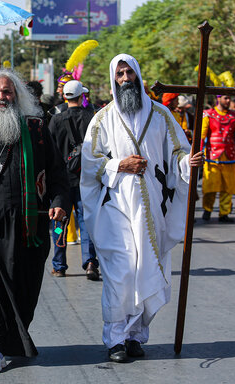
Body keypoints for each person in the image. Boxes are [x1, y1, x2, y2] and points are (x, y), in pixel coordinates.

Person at [80, 54, 204, 363]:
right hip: (115, 207)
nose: (125, 78)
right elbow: (89, 161)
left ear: (138, 75)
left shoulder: (161, 115)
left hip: (151, 209)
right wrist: (119, 164)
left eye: (129, 72)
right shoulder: (102, 119)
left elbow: (177, 151)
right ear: (114, 79)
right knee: (121, 273)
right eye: (119, 73)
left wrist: (185, 163)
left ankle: (135, 336)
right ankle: (115, 339)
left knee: (145, 268)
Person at [0, 69, 69, 373]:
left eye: (7, 92)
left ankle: (10, 341)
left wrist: (58, 203)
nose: (2, 98)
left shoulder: (35, 129)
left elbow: (58, 174)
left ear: (17, 96)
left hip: (27, 227)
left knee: (24, 288)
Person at [48, 80, 100, 280]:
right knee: (86, 222)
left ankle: (59, 265)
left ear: (65, 97)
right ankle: (90, 263)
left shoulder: (54, 120)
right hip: (86, 180)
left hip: (60, 183)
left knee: (59, 222)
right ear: (82, 97)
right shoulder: (92, 118)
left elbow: (49, 153)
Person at [201, 95, 235, 222]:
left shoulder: (234, 116)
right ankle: (207, 209)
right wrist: (198, 151)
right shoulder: (208, 115)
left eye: (230, 99)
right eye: (226, 98)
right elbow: (201, 136)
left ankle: (224, 213)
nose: (228, 101)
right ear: (219, 99)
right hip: (212, 156)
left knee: (227, 187)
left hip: (230, 156)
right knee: (210, 186)